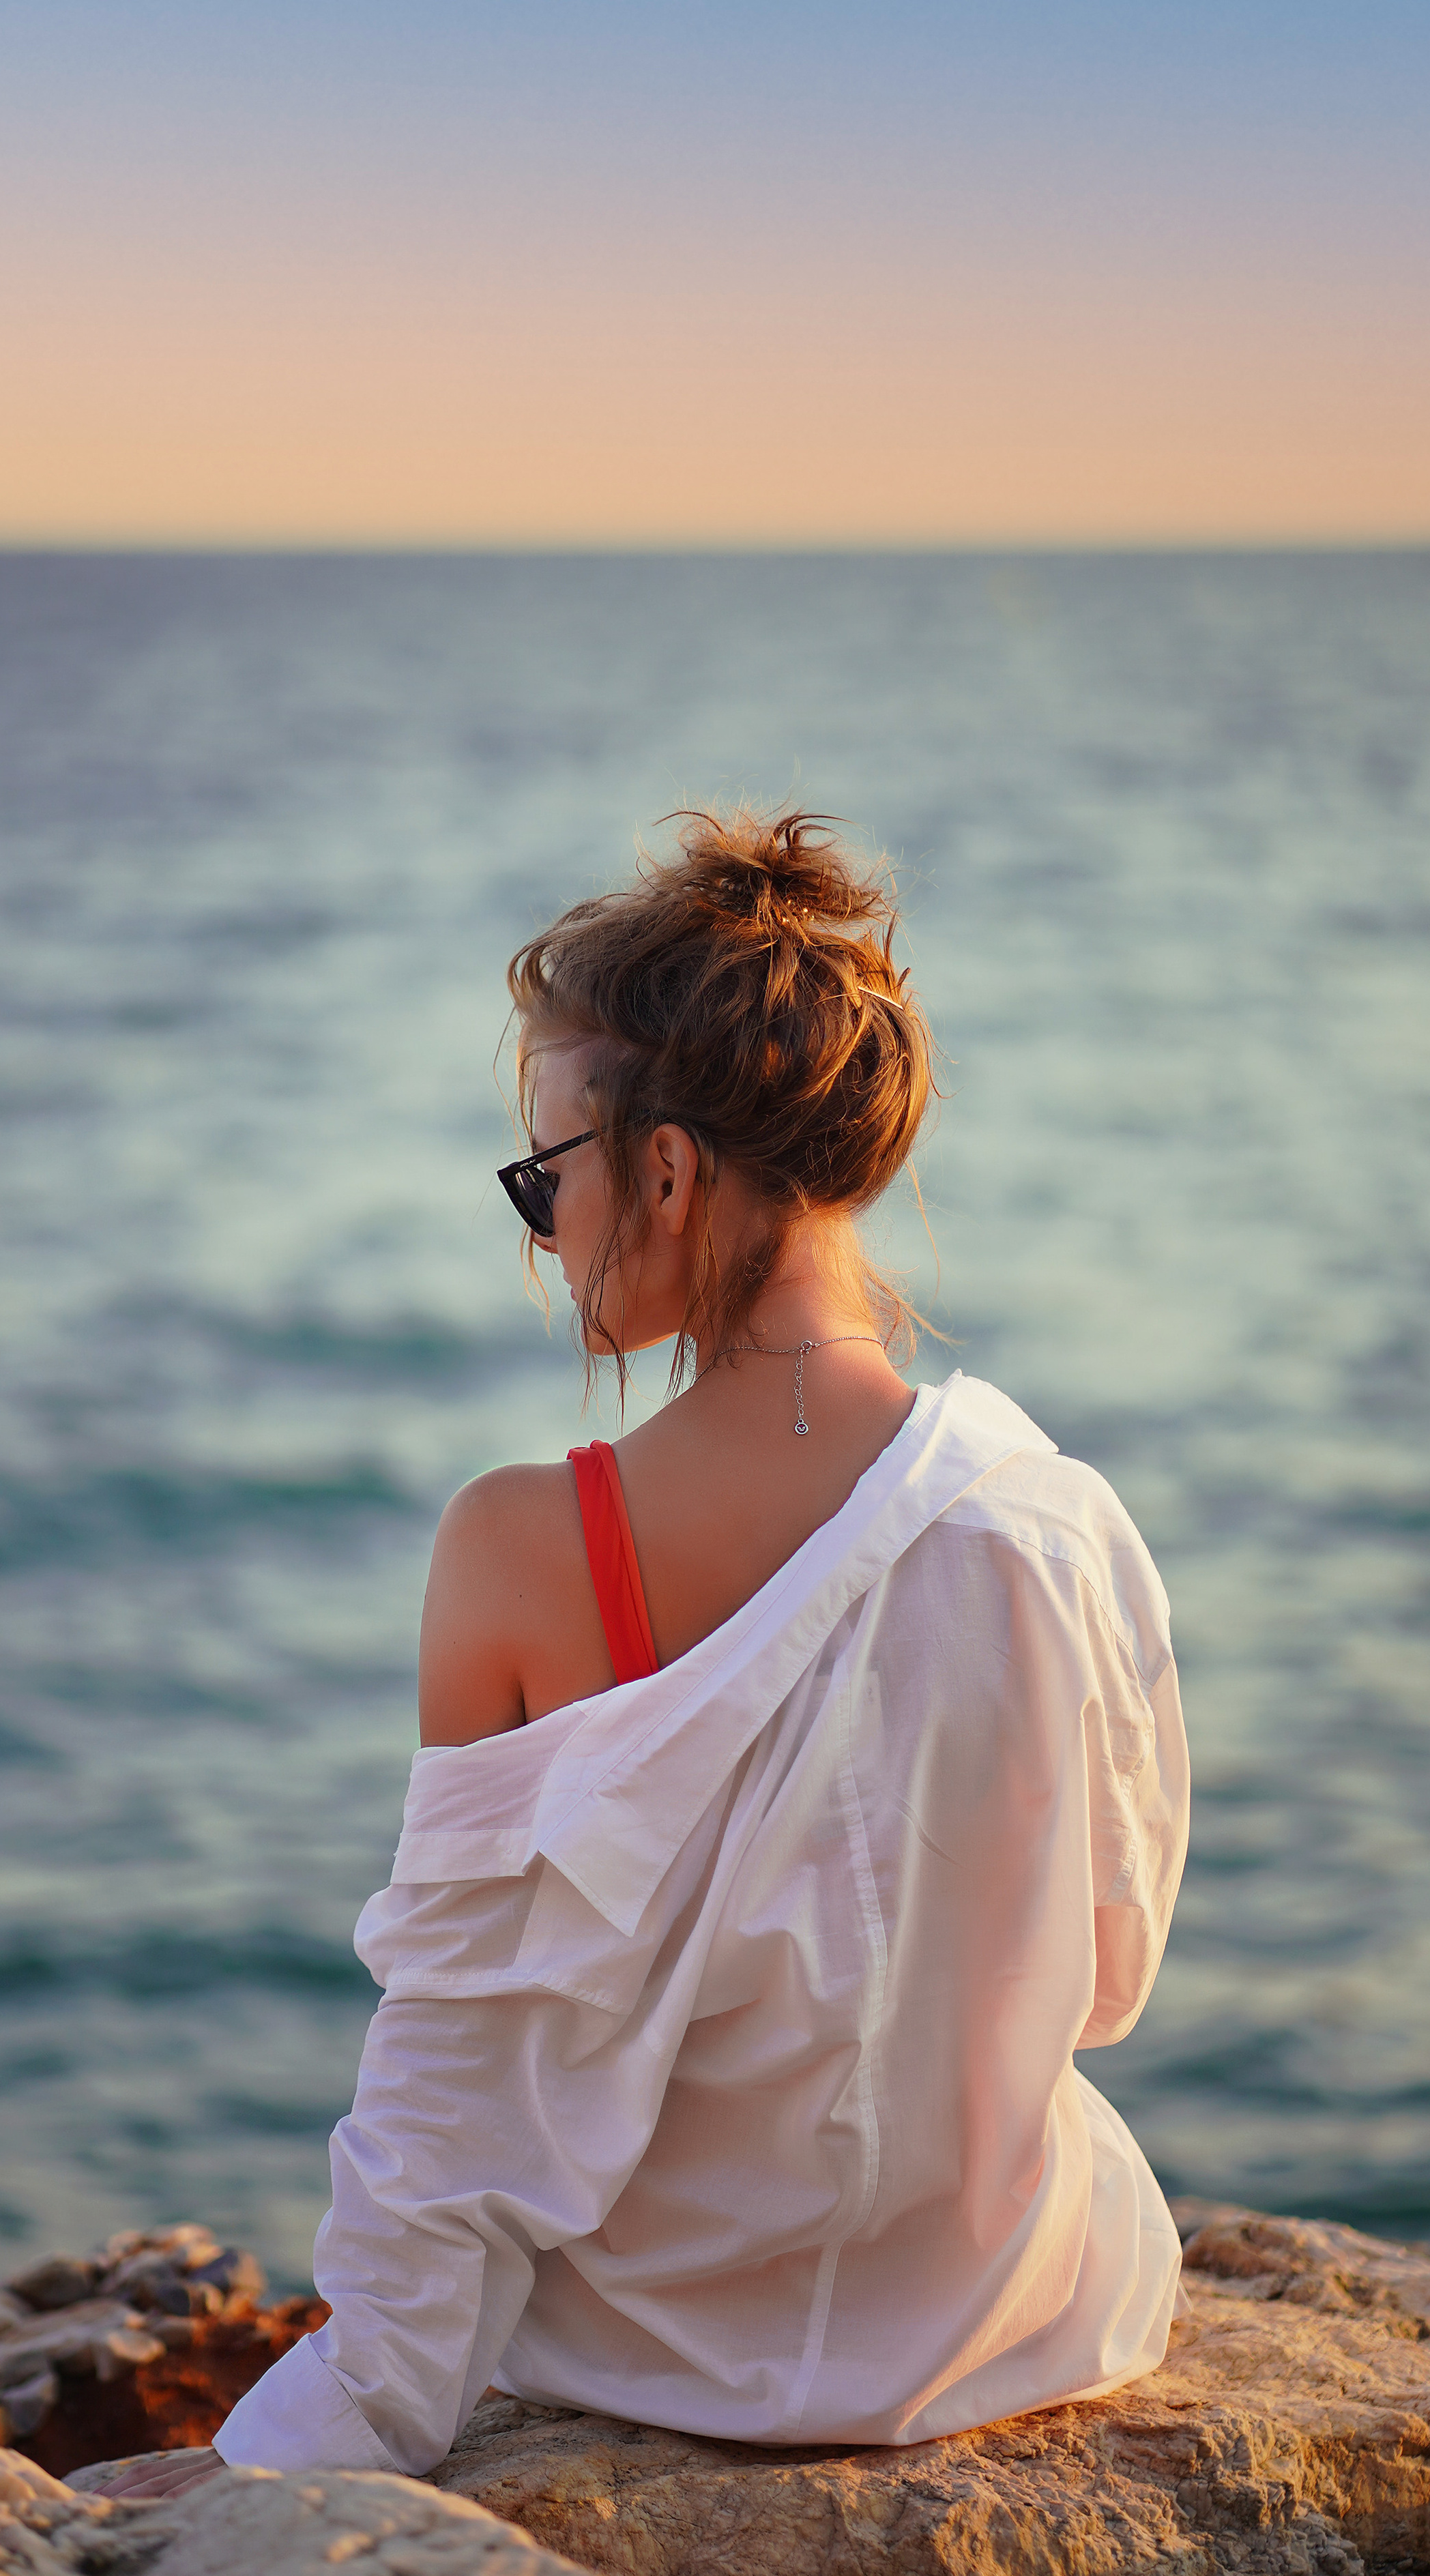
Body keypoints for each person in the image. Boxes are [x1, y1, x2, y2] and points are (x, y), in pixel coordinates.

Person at [101, 806, 1188, 2500]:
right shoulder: (1054, 1521)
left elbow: (452, 2095)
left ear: (665, 1170)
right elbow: (1107, 1979)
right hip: (1017, 2315)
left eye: (544, 1178)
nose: (538, 1228)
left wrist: (306, 2457)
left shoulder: (527, 1548)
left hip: (666, 2350)